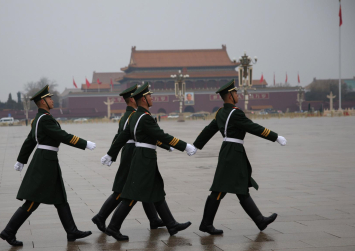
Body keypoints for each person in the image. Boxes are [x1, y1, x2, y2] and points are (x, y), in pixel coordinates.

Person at [0, 85, 95, 246]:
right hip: (44, 163)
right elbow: (62, 135)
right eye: (49, 98)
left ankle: (71, 231)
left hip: (47, 160)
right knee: (32, 201)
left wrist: (21, 160)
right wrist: (84, 143)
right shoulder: (45, 119)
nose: (52, 100)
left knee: (60, 199)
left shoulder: (39, 119)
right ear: (42, 102)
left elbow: (30, 141)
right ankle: (8, 232)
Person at [101, 82, 197, 241]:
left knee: (157, 191)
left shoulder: (135, 117)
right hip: (144, 159)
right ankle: (113, 227)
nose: (152, 98)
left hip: (144, 158)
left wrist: (110, 154)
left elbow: (122, 137)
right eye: (149, 96)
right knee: (131, 196)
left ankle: (171, 224)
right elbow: (161, 135)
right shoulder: (144, 118)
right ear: (143, 99)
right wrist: (184, 146)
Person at [193, 79, 287, 235]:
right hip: (233, 153)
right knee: (220, 190)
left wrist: (196, 145)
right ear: (230, 96)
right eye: (235, 93)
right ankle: (207, 223)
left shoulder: (221, 112)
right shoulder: (235, 113)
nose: (237, 95)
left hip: (229, 151)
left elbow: (208, 130)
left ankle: (259, 221)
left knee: (239, 188)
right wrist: (275, 137)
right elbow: (253, 127)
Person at [92, 85, 169, 232]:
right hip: (133, 153)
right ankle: (101, 217)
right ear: (134, 99)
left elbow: (118, 137)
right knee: (124, 190)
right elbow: (128, 136)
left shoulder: (126, 116)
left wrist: (111, 154)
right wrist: (111, 154)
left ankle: (154, 219)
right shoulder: (134, 116)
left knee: (144, 187)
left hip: (130, 152)